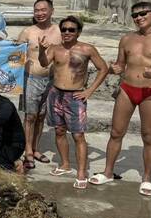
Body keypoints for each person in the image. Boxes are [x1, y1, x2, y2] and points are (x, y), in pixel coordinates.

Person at [91, 2, 151, 196]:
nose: (139, 18)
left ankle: (146, 178)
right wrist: (116, 69)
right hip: (127, 89)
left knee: (148, 135)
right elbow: (121, 65)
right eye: (135, 15)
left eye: (143, 13)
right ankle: (108, 172)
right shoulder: (127, 38)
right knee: (116, 132)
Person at [38, 16, 108, 189]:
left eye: (71, 29)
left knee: (78, 135)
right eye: (64, 29)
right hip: (56, 94)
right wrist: (41, 50)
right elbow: (44, 63)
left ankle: (81, 172)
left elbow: (103, 68)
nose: (67, 32)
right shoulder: (55, 48)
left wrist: (89, 91)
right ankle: (65, 165)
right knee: (59, 131)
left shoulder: (87, 49)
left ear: (78, 32)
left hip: (75, 96)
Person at [16, 0, 61, 169]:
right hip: (31, 78)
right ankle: (27, 150)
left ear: (51, 11)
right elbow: (14, 53)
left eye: (43, 10)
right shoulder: (28, 32)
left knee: (41, 116)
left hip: (51, 81)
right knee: (30, 116)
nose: (40, 13)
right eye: (36, 10)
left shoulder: (59, 32)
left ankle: (35, 148)